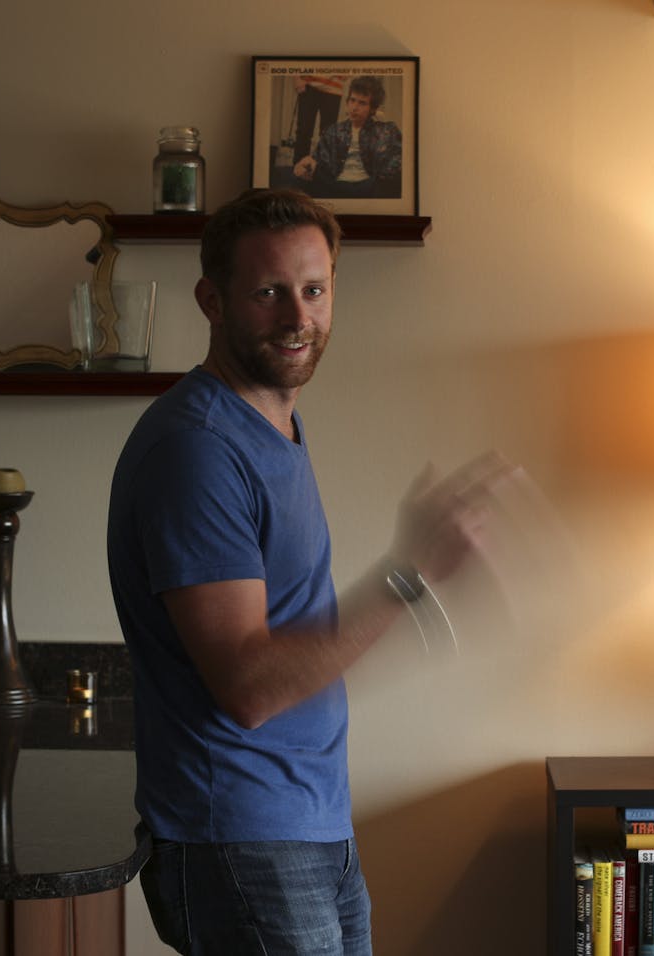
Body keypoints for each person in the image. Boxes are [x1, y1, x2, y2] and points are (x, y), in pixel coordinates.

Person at [106, 188, 510, 955]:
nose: (298, 317)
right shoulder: (197, 451)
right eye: (268, 292)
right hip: (241, 838)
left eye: (314, 289)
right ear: (212, 301)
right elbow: (251, 687)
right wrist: (408, 574)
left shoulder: (272, 426)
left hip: (306, 822)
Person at [293, 75, 403, 200]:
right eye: (352, 100)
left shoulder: (387, 130)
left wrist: (380, 175)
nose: (354, 108)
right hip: (335, 185)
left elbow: (397, 161)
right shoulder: (333, 131)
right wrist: (309, 163)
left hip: (370, 187)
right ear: (347, 102)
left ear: (373, 108)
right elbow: (319, 160)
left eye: (362, 103)